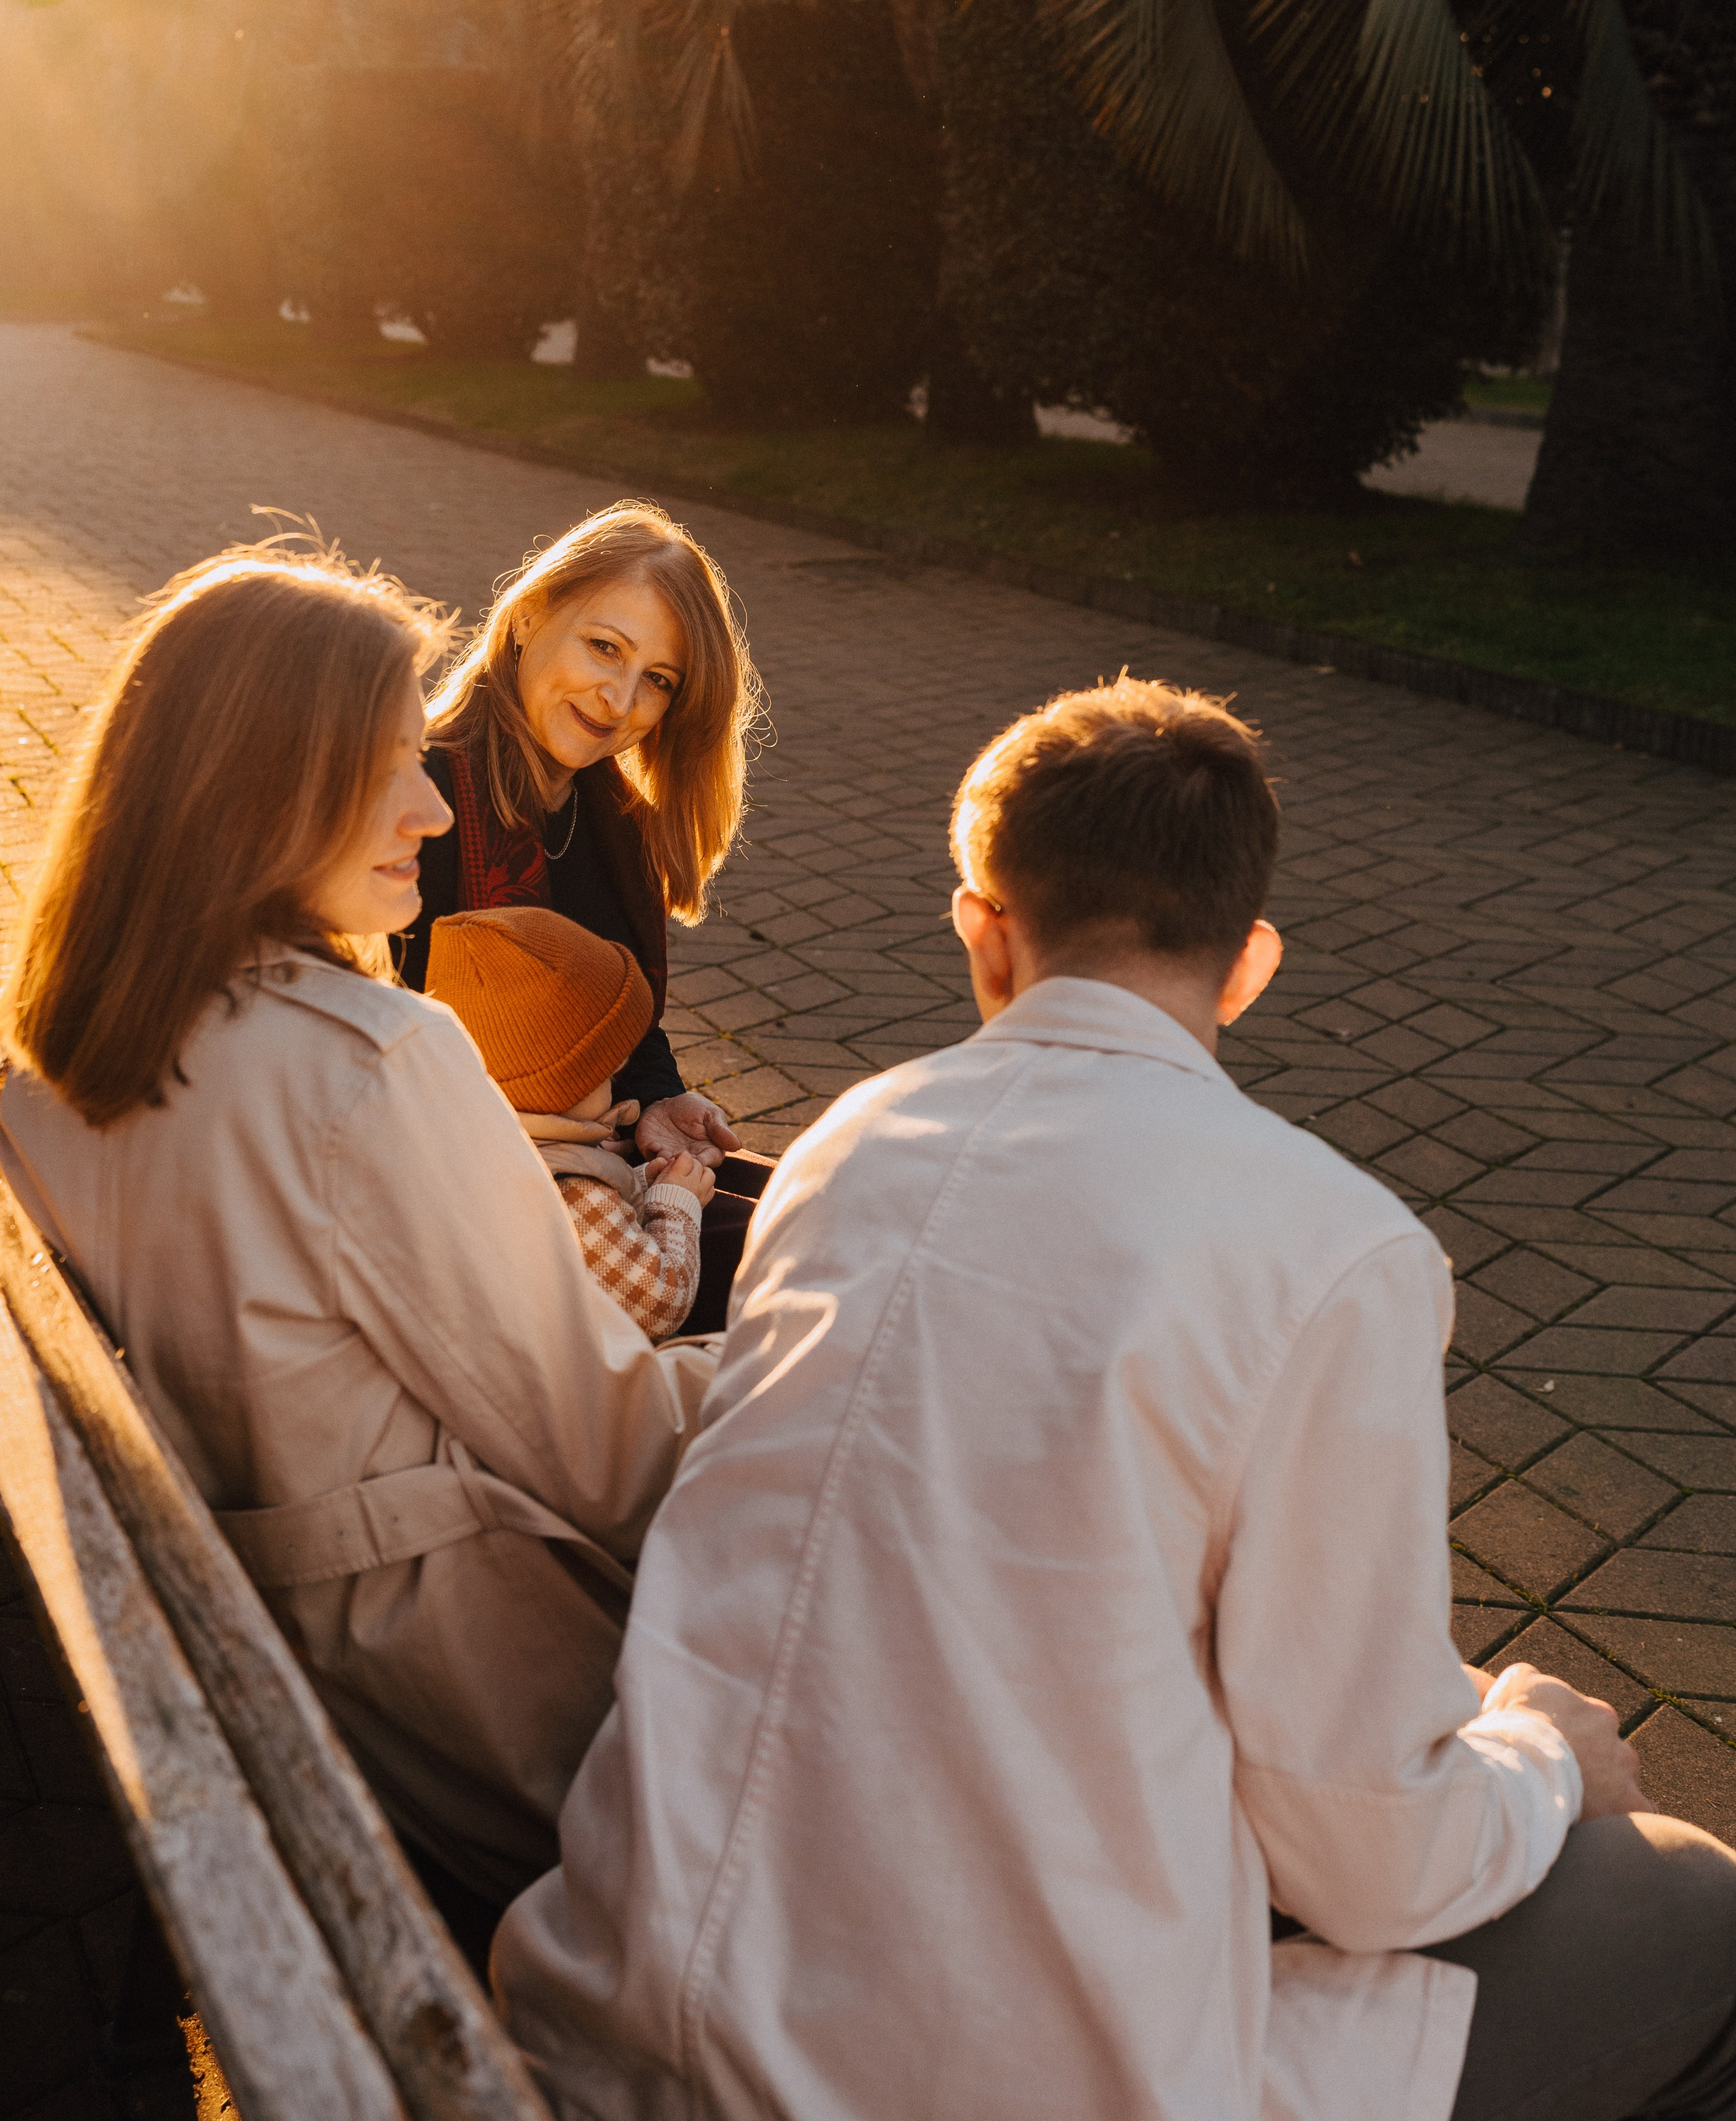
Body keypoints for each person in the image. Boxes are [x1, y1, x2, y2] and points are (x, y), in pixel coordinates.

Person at [493, 676, 1736, 2121]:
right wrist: (1538, 1754)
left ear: (982, 932)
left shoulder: (846, 1148)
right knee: (1686, 1903)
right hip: (958, 2074)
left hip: (612, 2003)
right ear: (1249, 964)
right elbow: (1371, 1860)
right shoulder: (1332, 1247)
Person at [0, 540, 717, 1922]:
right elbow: (608, 1454)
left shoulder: (45, 1085)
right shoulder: (372, 1060)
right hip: (496, 1704)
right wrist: (812, 1357)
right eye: (392, 765)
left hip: (298, 1671)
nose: (433, 813)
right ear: (255, 785)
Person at [399, 499, 768, 1335]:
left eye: (658, 682)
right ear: (530, 615)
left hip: (593, 1173)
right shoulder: (420, 804)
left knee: (823, 1213)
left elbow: (612, 1016)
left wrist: (658, 1095)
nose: (618, 698)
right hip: (481, 1212)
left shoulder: (612, 820)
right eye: (605, 647)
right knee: (816, 1268)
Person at [427, 906, 715, 1342]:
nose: (619, 1085)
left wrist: (640, 1182)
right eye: (607, 1074)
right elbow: (657, 1306)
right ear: (558, 1086)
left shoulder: (476, 1145)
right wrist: (675, 1205)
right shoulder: (573, 1192)